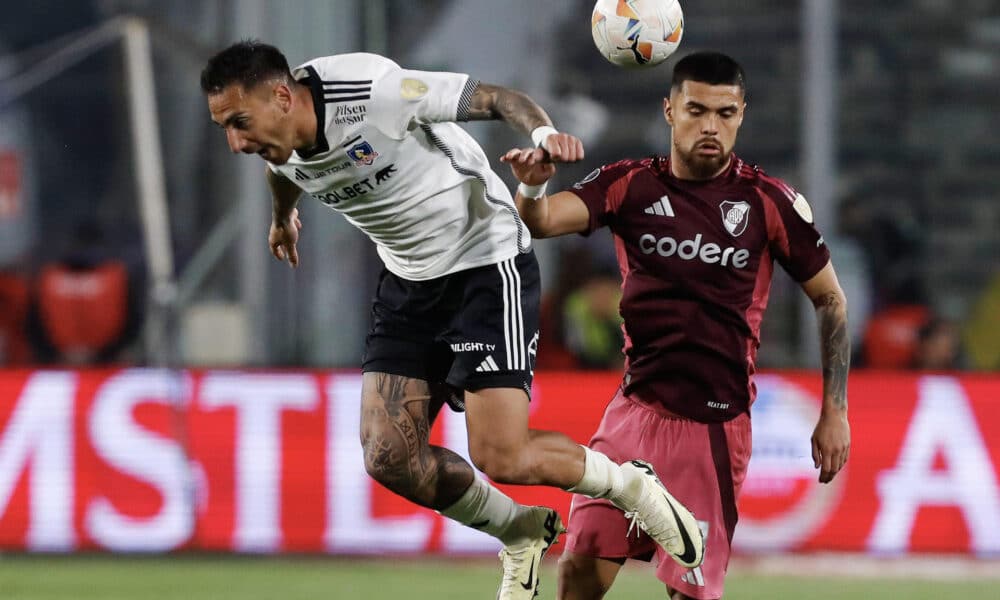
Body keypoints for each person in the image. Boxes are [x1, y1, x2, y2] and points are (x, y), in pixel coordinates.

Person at [201, 40, 705, 599]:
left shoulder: (372, 92)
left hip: (485, 266)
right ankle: (518, 530)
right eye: (225, 127)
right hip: (407, 284)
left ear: (280, 96)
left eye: (240, 123)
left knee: (501, 456)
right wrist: (282, 217)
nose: (235, 142)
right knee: (387, 457)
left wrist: (540, 134)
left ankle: (633, 486)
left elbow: (496, 98)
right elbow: (289, 169)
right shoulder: (279, 145)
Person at [502, 51, 851, 600]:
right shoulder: (629, 186)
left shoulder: (768, 202)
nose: (710, 126)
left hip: (710, 429)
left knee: (687, 595)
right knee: (576, 577)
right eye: (696, 110)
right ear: (669, 110)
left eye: (725, 113)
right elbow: (541, 222)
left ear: (741, 115)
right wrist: (532, 186)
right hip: (631, 419)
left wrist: (835, 410)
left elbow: (830, 298)